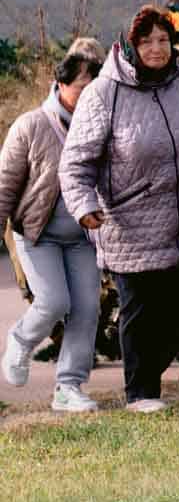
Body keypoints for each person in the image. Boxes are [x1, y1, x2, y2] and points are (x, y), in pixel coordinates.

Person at [58, 5, 179, 412]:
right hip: (130, 223)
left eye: (163, 40)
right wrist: (84, 206)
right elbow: (75, 162)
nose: (157, 49)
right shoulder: (104, 93)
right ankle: (140, 394)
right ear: (130, 44)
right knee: (142, 312)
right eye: (147, 41)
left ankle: (150, 378)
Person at [1, 49, 105, 411]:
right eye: (82, 87)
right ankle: (20, 339)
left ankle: (69, 387)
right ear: (60, 85)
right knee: (53, 301)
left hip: (82, 237)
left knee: (88, 308)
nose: (89, 94)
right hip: (36, 233)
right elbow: (5, 185)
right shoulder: (32, 125)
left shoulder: (100, 127)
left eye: (95, 87)